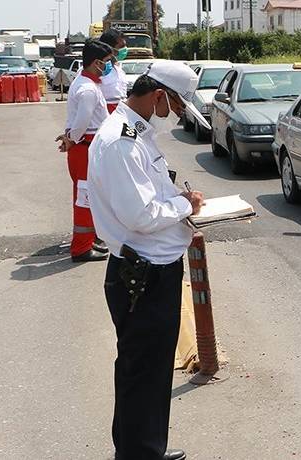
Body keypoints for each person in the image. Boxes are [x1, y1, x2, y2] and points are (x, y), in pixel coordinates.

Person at [87, 60, 211, 460]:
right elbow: (140, 215)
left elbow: (149, 198)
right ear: (158, 94)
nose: (174, 114)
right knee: (144, 370)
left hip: (151, 269)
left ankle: (142, 449)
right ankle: (140, 453)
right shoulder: (121, 140)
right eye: (173, 105)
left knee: (148, 370)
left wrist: (176, 204)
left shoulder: (136, 133)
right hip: (142, 275)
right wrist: (183, 204)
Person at [56, 40, 114, 262]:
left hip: (85, 148)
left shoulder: (88, 83)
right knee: (84, 199)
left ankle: (88, 241)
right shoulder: (88, 89)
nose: (109, 66)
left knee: (90, 197)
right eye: (107, 62)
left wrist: (70, 139)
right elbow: (81, 124)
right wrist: (71, 139)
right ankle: (81, 248)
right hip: (85, 150)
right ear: (97, 62)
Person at [99, 28, 129, 113]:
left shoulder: (119, 70)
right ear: (109, 48)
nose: (125, 50)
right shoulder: (96, 70)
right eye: (121, 47)